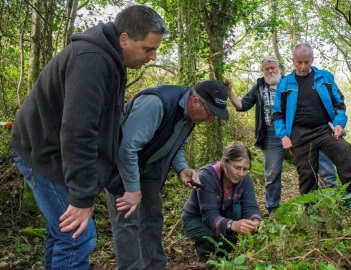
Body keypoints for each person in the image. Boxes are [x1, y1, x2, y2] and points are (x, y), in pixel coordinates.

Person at [10, 5, 168, 269]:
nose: (153, 57)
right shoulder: (91, 61)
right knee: (77, 236)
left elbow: (101, 126)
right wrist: (82, 198)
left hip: (59, 152)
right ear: (125, 38)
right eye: (148, 49)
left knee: (62, 233)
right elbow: (78, 132)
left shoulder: (111, 60)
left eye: (156, 49)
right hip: (44, 153)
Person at [105, 80, 230, 269]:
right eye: (211, 113)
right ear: (195, 100)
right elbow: (126, 149)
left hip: (148, 167)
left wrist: (182, 168)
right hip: (122, 166)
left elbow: (177, 144)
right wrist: (132, 188)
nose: (211, 119)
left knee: (152, 217)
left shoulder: (190, 115)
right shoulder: (156, 103)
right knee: (127, 221)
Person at [227, 56, 338, 214]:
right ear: (263, 71)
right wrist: (229, 92)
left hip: (296, 131)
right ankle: (273, 209)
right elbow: (242, 105)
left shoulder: (291, 82)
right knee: (272, 173)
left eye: (273, 67)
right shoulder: (259, 86)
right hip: (271, 134)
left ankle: (321, 202)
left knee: (311, 165)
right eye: (267, 68)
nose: (271, 71)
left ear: (280, 68)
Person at [272, 43, 351, 214]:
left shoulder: (325, 78)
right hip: (299, 134)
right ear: (292, 61)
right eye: (299, 62)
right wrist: (283, 136)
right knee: (307, 174)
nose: (303, 67)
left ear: (312, 60)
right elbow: (277, 114)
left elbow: (339, 104)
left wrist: (338, 124)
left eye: (306, 62)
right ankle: (311, 211)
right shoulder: (284, 85)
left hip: (323, 129)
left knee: (345, 150)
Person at [181, 141, 262, 259]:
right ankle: (202, 250)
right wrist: (232, 225)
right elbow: (209, 215)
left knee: (237, 211)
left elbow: (251, 206)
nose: (241, 173)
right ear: (224, 162)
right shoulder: (207, 176)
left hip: (222, 213)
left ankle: (227, 243)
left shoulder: (245, 179)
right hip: (196, 218)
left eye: (245, 169)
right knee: (213, 242)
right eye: (237, 167)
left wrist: (255, 221)